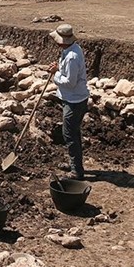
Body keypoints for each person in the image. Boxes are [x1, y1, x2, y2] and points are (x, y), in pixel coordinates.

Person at [47, 24, 89, 180]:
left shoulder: (72, 57)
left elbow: (70, 82)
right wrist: (58, 68)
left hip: (74, 101)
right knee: (73, 133)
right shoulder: (72, 50)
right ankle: (75, 164)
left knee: (69, 135)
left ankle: (76, 171)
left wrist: (55, 74)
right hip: (74, 98)